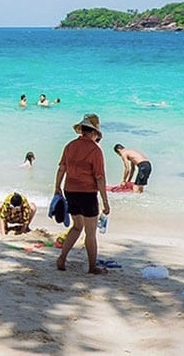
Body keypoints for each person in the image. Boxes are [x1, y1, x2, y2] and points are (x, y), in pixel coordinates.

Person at [54, 114, 111, 275]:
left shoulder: (70, 146)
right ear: (94, 132)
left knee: (77, 226)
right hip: (87, 193)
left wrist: (57, 187)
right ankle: (92, 267)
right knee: (90, 233)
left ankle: (62, 258)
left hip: (70, 190)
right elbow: (99, 177)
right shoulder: (95, 150)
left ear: (82, 130)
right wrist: (105, 202)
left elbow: (61, 168)